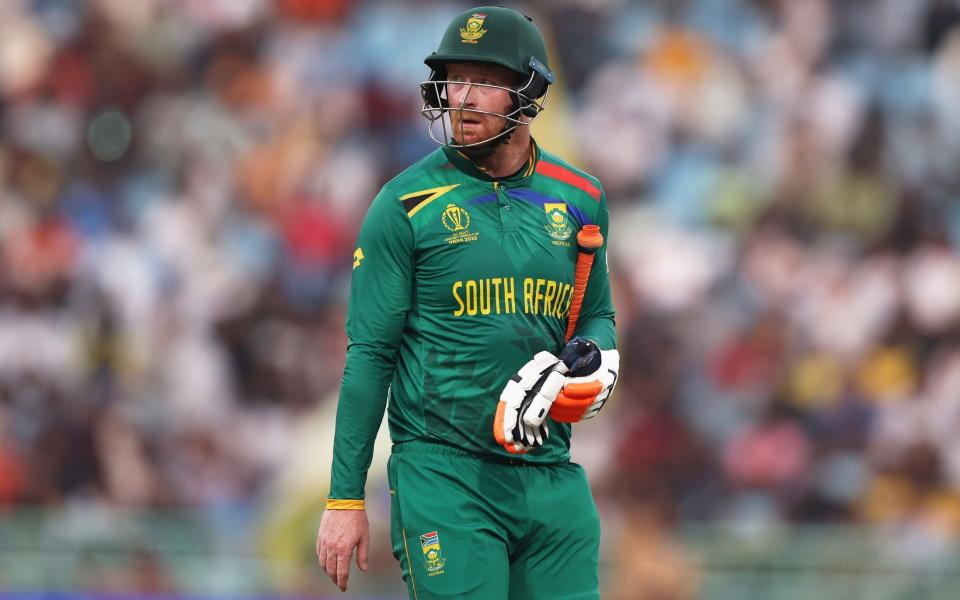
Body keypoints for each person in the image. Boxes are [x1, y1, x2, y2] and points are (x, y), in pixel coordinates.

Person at [316, 6, 619, 599]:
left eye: (485, 80)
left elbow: (596, 314)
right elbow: (369, 356)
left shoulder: (582, 197)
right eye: (456, 79)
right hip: (444, 473)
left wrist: (595, 356)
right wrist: (345, 497)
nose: (464, 97)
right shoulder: (404, 204)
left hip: (550, 471)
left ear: (527, 92)